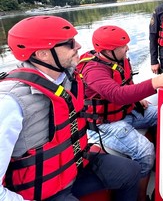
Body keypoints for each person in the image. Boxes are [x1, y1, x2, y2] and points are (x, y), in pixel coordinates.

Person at [0, 16, 141, 201]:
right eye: (69, 43)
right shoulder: (10, 102)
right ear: (42, 54)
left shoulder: (70, 77)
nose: (79, 46)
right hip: (41, 190)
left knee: (131, 171)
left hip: (74, 166)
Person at [77, 25, 163, 201]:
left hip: (127, 111)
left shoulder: (117, 59)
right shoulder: (93, 70)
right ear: (109, 51)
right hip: (105, 125)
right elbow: (116, 94)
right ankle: (141, 197)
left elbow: (126, 85)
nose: (128, 49)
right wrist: (156, 82)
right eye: (123, 46)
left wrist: (137, 98)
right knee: (146, 152)